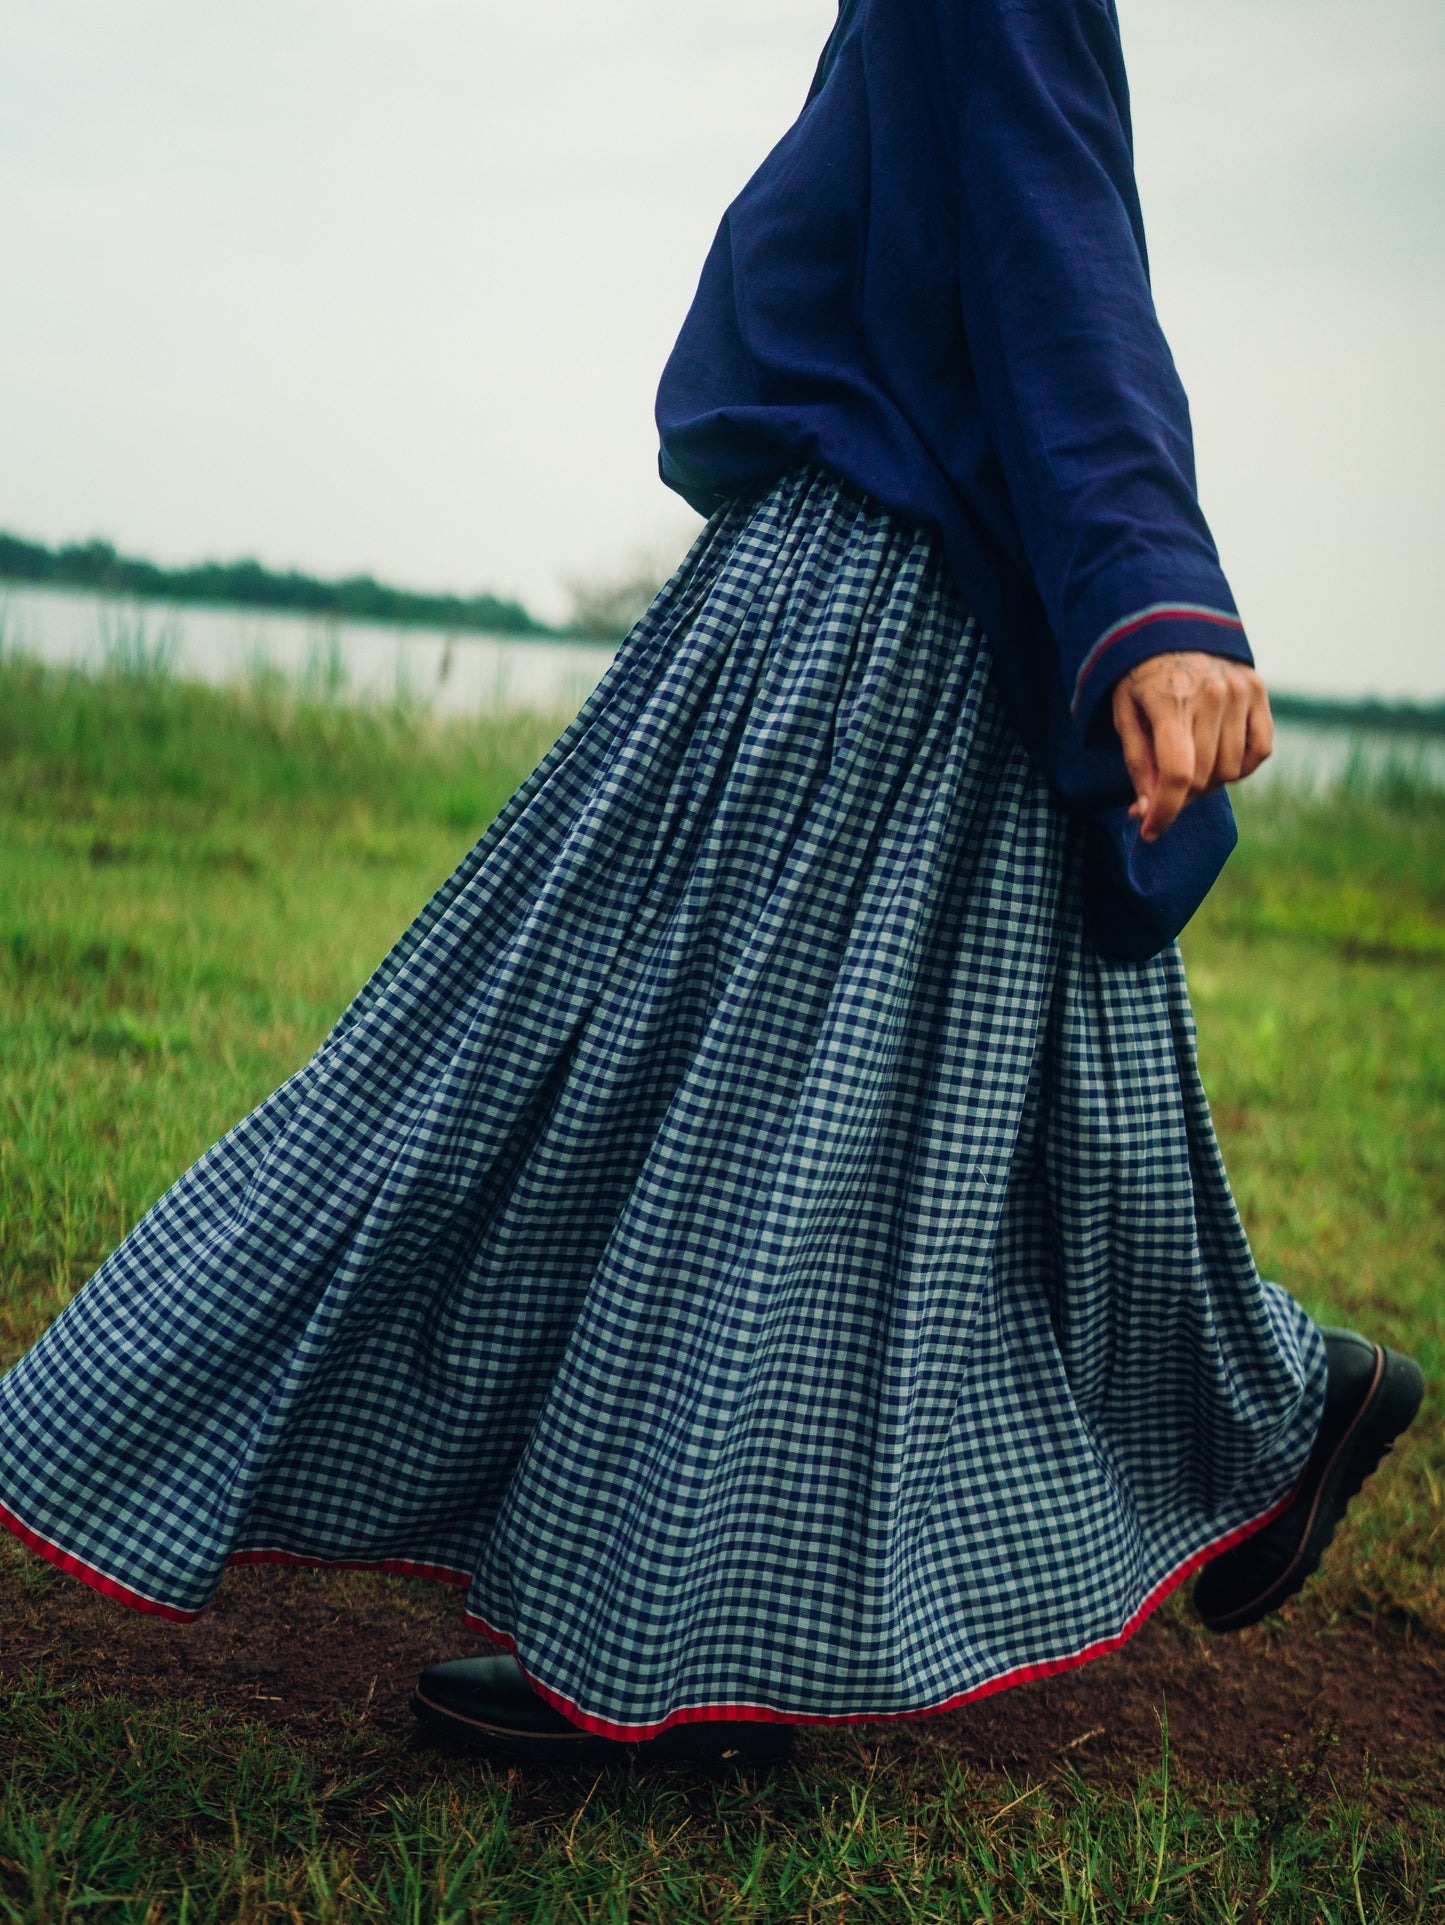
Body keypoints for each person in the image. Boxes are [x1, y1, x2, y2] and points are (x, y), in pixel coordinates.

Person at [0, 0, 1423, 1767]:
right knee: (842, 1102)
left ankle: (692, 1650)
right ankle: (1269, 1408)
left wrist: (1152, 590)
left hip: (892, 598)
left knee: (750, 1112)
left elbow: (1059, 231)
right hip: (855, 577)